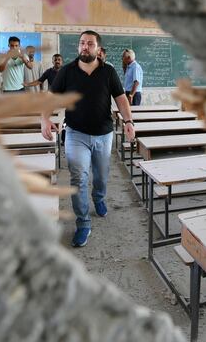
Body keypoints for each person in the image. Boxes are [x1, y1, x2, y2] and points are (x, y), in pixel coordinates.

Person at [42, 31, 135, 247]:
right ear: (78, 47)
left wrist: (129, 122)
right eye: (82, 43)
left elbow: (121, 99)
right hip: (76, 134)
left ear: (98, 49)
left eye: (90, 44)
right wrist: (44, 119)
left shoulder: (109, 72)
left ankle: (99, 198)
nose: (85, 47)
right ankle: (83, 222)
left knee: (101, 176)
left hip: (104, 134)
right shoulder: (66, 71)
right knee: (78, 179)